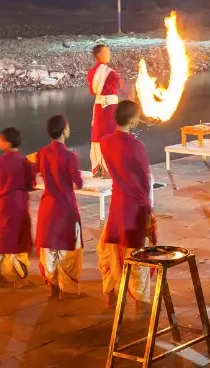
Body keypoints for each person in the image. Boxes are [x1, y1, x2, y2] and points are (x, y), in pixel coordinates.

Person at [97, 101, 157, 308]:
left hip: (117, 203)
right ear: (132, 120)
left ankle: (111, 294)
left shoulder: (105, 142)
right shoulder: (136, 146)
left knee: (112, 250)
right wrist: (148, 209)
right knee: (136, 252)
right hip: (135, 205)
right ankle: (140, 302)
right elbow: (143, 179)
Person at [33, 115, 84, 299]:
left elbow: (33, 173)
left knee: (49, 248)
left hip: (48, 206)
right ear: (64, 130)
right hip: (66, 208)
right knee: (68, 249)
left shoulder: (42, 153)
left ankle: (53, 284)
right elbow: (78, 183)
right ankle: (67, 288)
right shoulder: (70, 156)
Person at [0, 127, 33, 287]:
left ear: (6, 143)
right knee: (19, 239)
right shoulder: (24, 161)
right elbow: (30, 183)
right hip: (19, 204)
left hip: (1, 204)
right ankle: (18, 278)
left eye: (0, 140)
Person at [88, 43, 124, 177]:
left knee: (98, 134)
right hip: (108, 108)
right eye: (107, 52)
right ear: (99, 55)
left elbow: (94, 91)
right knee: (108, 135)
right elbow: (119, 84)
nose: (109, 54)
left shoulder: (93, 72)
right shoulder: (109, 73)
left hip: (99, 107)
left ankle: (99, 167)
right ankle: (109, 169)